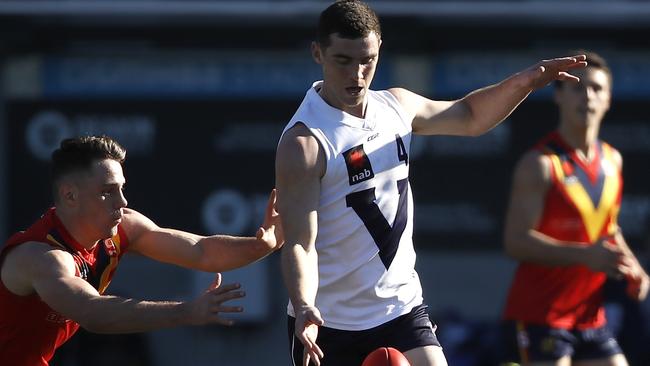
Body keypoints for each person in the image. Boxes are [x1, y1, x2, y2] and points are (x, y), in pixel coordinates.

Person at [274, 1, 588, 365]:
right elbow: (300, 244)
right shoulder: (305, 143)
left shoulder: (395, 106)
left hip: (400, 308)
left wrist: (529, 80)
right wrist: (305, 305)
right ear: (318, 53)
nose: (357, 75)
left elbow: (470, 117)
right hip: (327, 323)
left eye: (368, 60)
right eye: (343, 60)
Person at [0, 135, 283, 366]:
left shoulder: (124, 227)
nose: (121, 201)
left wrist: (262, 245)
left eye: (122, 189)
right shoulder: (41, 258)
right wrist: (186, 312)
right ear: (70, 195)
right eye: (107, 192)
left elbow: (202, 251)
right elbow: (93, 313)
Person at [501, 50, 650, 366]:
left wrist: (633, 266)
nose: (588, 97)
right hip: (539, 314)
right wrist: (585, 255)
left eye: (597, 89)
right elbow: (516, 242)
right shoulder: (539, 164)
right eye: (577, 88)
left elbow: (608, 229)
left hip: (589, 316)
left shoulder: (613, 160)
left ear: (609, 99)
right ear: (559, 96)